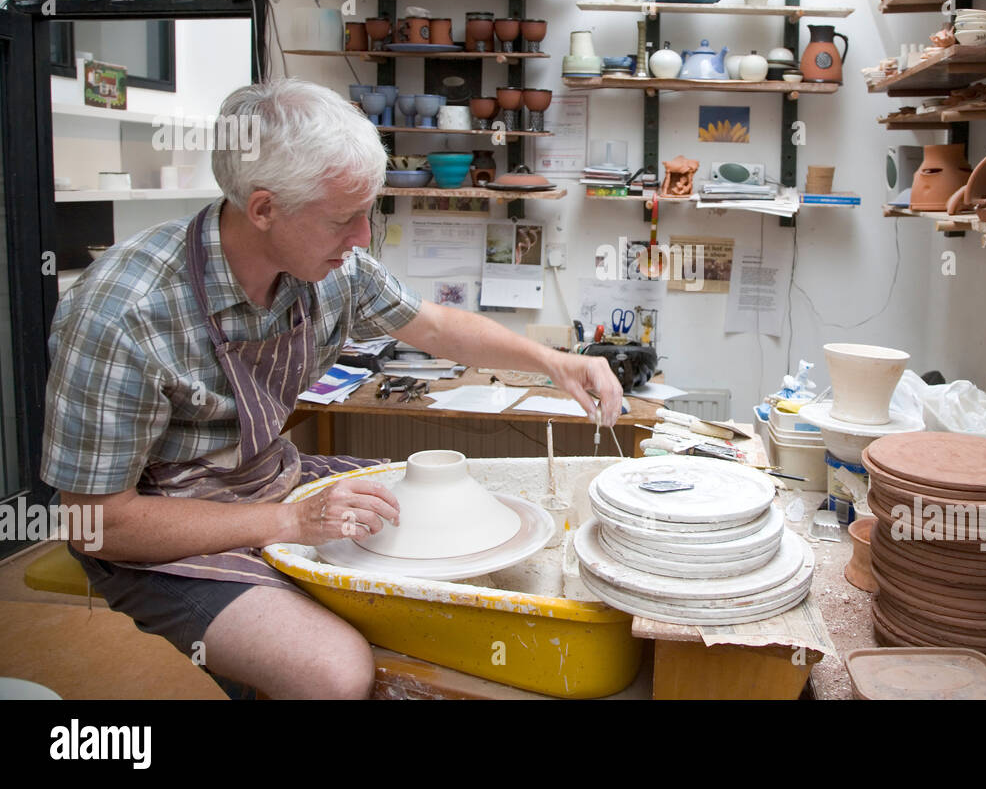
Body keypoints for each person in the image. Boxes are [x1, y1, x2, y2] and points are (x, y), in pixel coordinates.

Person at [41, 77, 623, 699]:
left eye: (366, 212)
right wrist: (288, 522)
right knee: (335, 674)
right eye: (344, 219)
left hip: (269, 477)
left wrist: (554, 361)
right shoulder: (124, 313)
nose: (363, 238)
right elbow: (94, 522)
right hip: (156, 525)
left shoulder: (332, 267)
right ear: (263, 209)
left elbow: (434, 326)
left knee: (456, 511)